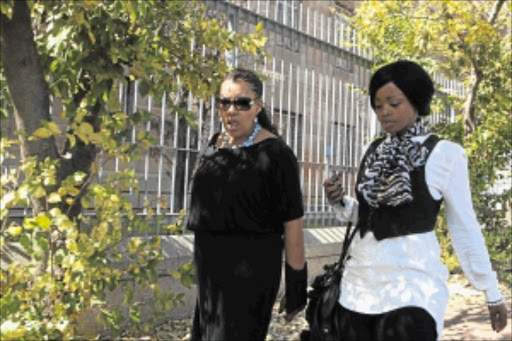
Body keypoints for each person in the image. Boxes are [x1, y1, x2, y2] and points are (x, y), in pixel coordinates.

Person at [323, 60, 508, 341]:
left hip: (413, 289)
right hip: (358, 290)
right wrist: (340, 203)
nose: (384, 111)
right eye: (378, 104)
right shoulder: (374, 151)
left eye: (393, 103)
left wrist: (490, 291)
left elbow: (464, 227)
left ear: (416, 101)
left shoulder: (445, 154)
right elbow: (370, 215)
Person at [187, 68, 307, 341]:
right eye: (224, 102)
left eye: (242, 103)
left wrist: (296, 283)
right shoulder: (215, 144)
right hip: (210, 272)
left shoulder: (276, 154)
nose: (232, 110)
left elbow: (293, 222)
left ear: (258, 106)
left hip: (249, 273)